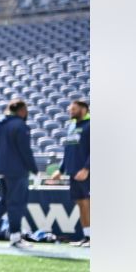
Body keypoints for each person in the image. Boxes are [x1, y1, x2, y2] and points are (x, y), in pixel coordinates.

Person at [0, 99, 37, 249]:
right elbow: (25, 151)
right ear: (22, 110)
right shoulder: (20, 125)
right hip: (16, 170)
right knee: (16, 202)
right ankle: (15, 237)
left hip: (0, 169)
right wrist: (35, 170)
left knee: (4, 200)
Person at [51, 99, 90, 246]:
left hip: (86, 173)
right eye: (70, 109)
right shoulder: (71, 126)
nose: (70, 112)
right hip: (74, 173)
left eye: (73, 109)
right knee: (81, 203)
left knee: (87, 203)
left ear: (83, 109)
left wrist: (87, 169)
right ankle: (87, 236)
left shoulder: (91, 125)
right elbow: (68, 150)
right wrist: (60, 170)